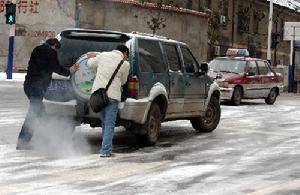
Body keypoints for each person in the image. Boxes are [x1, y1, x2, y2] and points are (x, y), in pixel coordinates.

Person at [16, 38, 79, 150]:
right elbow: (56, 67)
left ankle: (49, 138)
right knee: (33, 115)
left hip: (28, 86)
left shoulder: (37, 49)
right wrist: (69, 71)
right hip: (37, 88)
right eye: (56, 48)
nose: (56, 51)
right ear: (54, 45)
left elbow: (41, 66)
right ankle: (23, 142)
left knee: (41, 115)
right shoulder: (50, 52)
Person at [87, 45, 130, 157]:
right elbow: (124, 81)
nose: (126, 58)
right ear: (125, 53)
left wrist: (92, 57)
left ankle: (105, 148)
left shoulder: (103, 55)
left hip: (100, 95)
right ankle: (105, 150)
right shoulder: (125, 64)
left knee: (104, 123)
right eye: (127, 56)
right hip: (112, 96)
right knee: (109, 125)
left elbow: (90, 64)